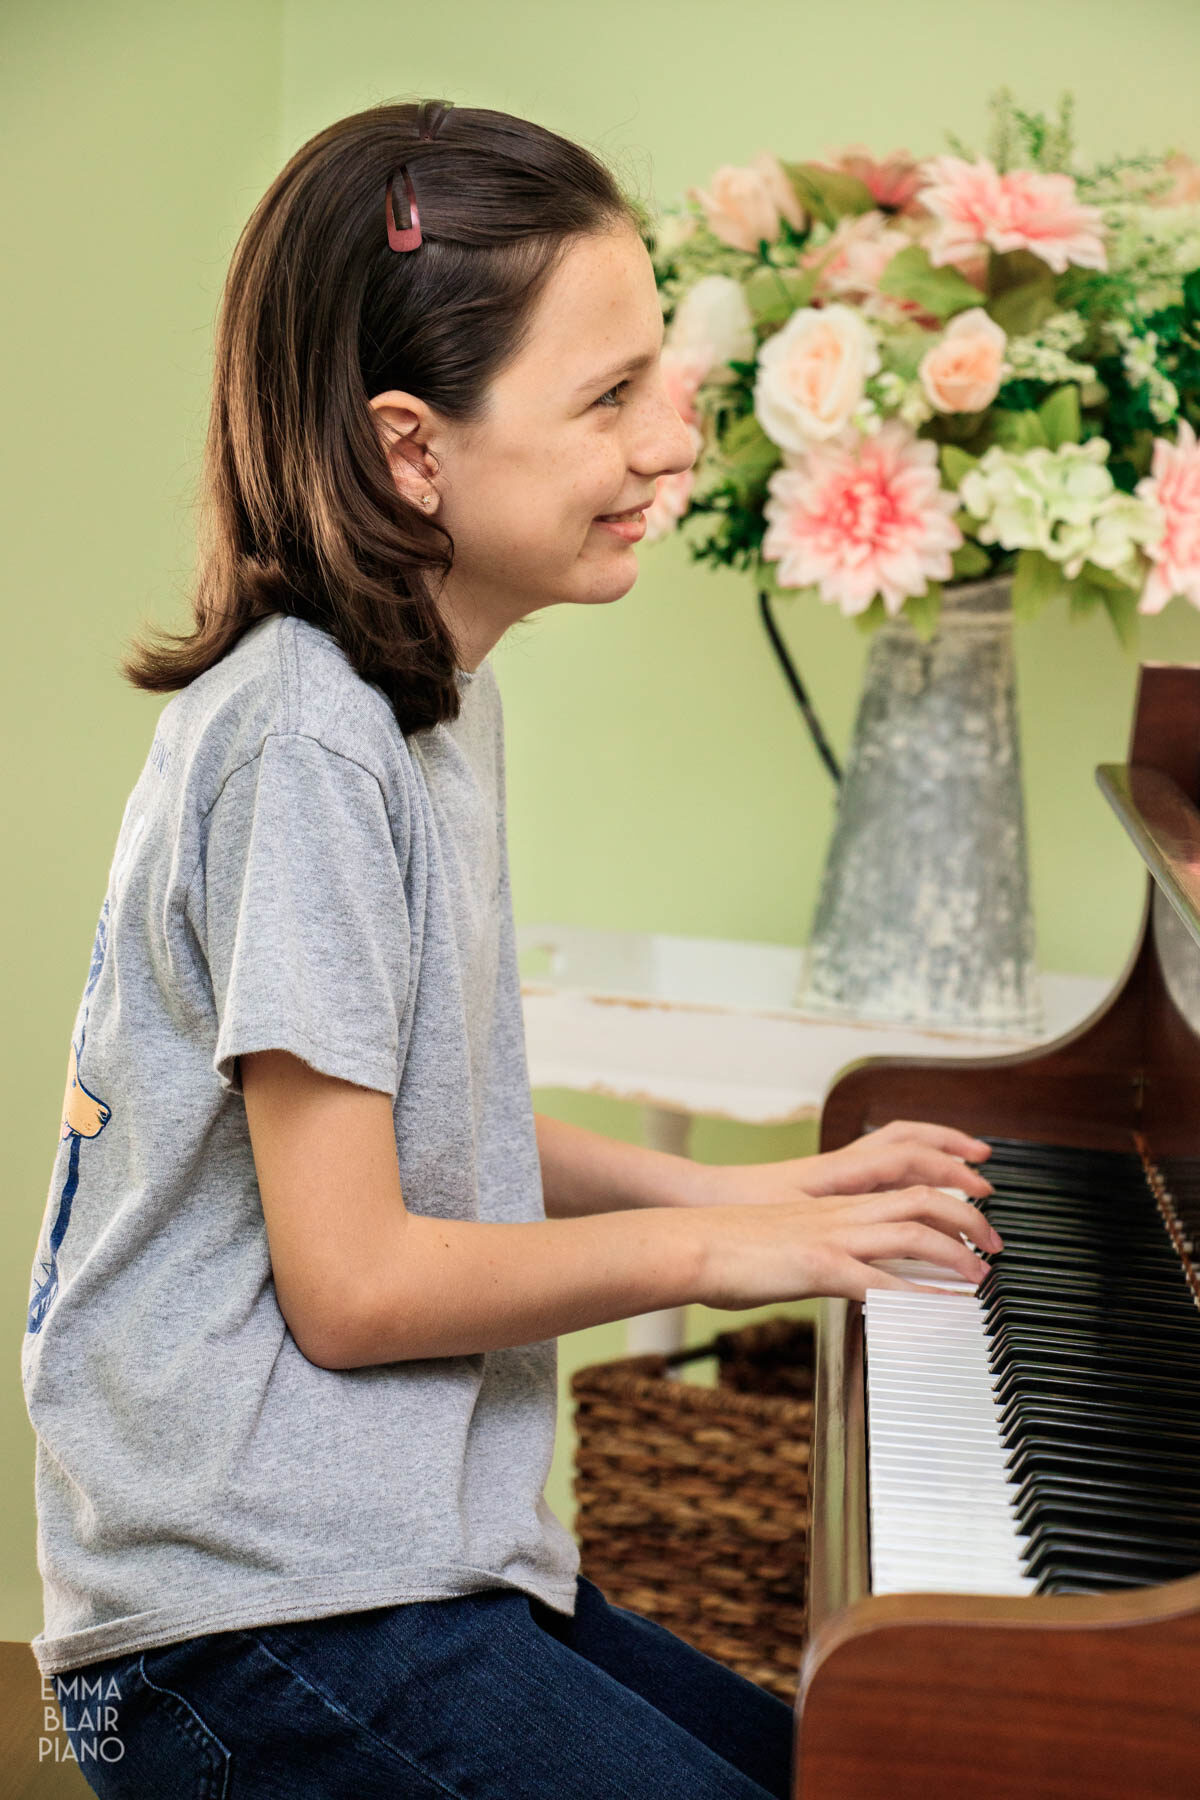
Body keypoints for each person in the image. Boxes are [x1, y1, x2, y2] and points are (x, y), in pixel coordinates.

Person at [21, 97, 1000, 1800]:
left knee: (861, 1770)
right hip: (245, 1633)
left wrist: (755, 1193)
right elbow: (360, 1279)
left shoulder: (427, 695)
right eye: (610, 396)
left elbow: (416, 1121)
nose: (675, 442)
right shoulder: (306, 739)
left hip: (385, 1560)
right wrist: (727, 1255)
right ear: (414, 450)